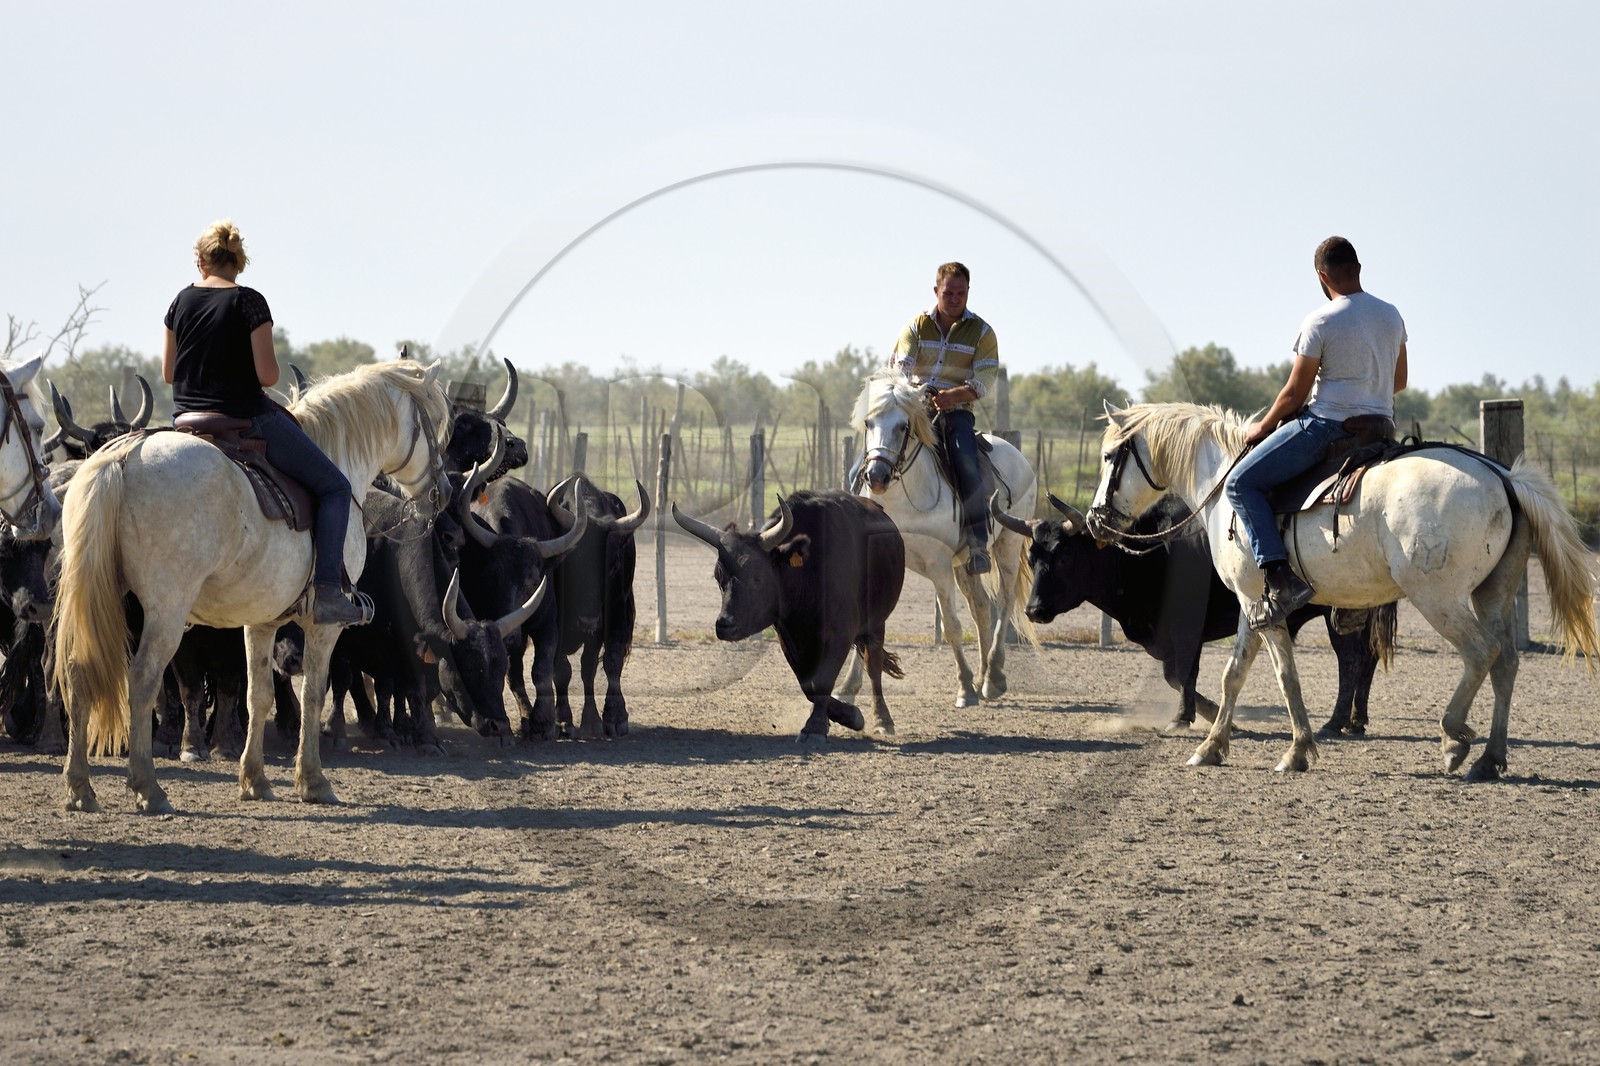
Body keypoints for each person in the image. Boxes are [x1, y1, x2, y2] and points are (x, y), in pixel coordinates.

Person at [161, 219, 366, 626]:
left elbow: (169, 372)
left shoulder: (179, 302)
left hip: (186, 421)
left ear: (200, 262)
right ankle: (327, 592)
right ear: (238, 264)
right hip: (244, 419)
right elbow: (269, 376)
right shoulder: (250, 303)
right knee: (335, 487)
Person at [1224, 236, 1409, 630]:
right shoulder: (1391, 316)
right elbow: (1400, 381)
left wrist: (1264, 424)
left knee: (1240, 484)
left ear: (1321, 276)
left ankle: (1279, 580)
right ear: (1358, 269)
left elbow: (1294, 392)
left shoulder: (1321, 320)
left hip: (1328, 426)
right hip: (1379, 430)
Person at [892, 261, 1001, 575]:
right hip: (916, 410)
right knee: (877, 452)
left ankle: (978, 543)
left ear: (968, 292)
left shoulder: (982, 332)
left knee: (966, 462)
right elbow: (902, 368)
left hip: (957, 414)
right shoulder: (915, 326)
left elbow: (984, 380)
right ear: (936, 290)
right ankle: (861, 517)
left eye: (961, 293)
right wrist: (919, 391)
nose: (955, 298)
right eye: (949, 292)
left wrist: (953, 396)